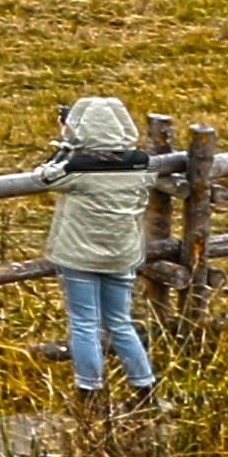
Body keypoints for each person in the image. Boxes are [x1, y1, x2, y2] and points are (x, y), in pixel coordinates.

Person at [48, 96, 162, 403]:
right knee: (120, 322)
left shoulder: (78, 171)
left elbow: (44, 176)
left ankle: (89, 391)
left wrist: (66, 147)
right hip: (122, 256)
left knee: (84, 323)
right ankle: (144, 387)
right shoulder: (141, 167)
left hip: (80, 257)